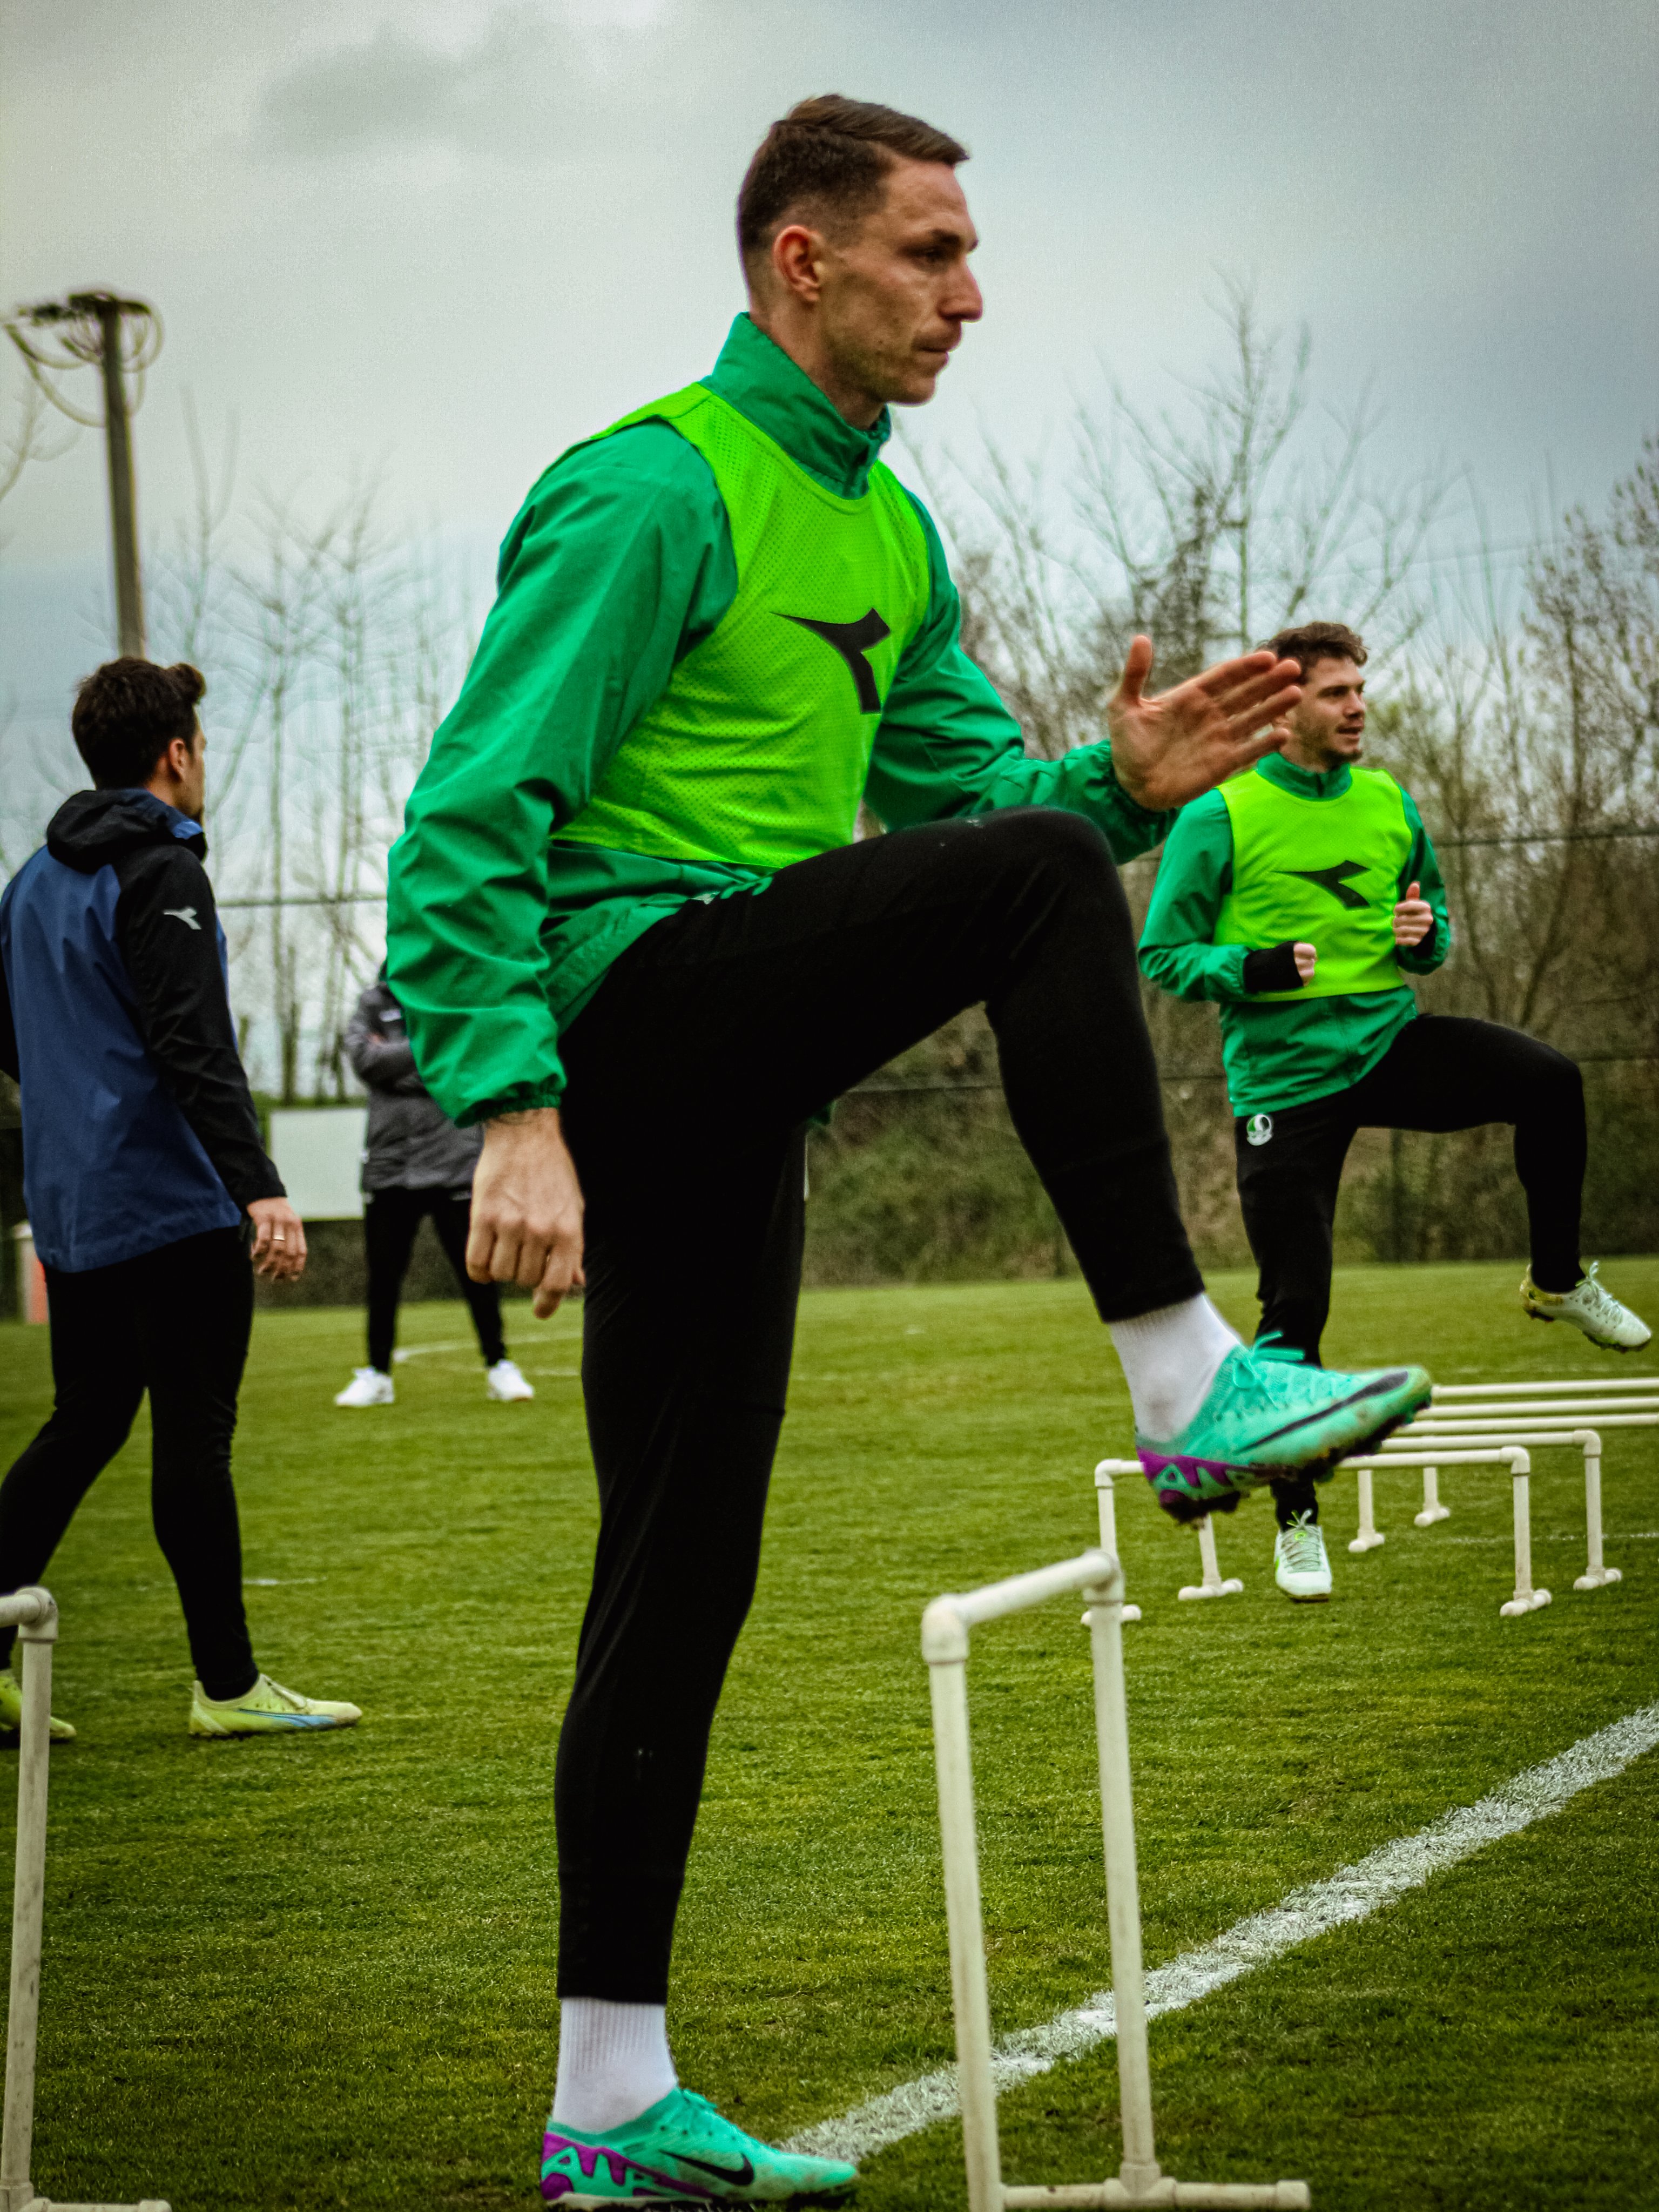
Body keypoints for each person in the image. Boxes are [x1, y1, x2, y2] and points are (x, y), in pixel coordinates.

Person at [386, 99, 1430, 2202]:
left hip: (736, 1068)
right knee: (1036, 885)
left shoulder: (892, 532)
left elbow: (982, 810)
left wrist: (1118, 782)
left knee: (679, 1571)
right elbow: (468, 818)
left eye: (969, 254)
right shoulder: (653, 488)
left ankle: (608, 2099)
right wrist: (508, 1105)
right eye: (932, 252)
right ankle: (1183, 1382)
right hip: (630, 1001)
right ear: (804, 259)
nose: (971, 295)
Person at [1139, 618, 1650, 1604]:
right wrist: (1249, 967)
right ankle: (1296, 1526)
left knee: (1550, 1081)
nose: (1357, 707)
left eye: (1359, 690)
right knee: (1295, 1308)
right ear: (1285, 705)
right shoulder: (1220, 814)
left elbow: (1434, 925)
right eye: (1336, 693)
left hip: (1389, 1046)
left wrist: (1422, 937)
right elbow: (1163, 953)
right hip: (1284, 1085)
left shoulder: (1388, 801)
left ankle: (1556, 1280)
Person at [0, 657, 362, 1739]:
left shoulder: (29, 883)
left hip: (74, 1202)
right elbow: (192, 1043)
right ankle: (229, 1685)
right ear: (176, 753)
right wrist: (261, 1187)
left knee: (87, 1417)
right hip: (169, 1199)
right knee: (193, 1436)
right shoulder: (160, 868)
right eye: (199, 745)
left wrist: (78, 1098)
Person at [333, 969, 535, 1406]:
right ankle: (377, 1375)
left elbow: (465, 1065)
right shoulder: (372, 1003)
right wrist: (432, 1056)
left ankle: (499, 1365)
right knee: (383, 1279)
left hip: (455, 1164)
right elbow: (365, 1061)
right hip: (390, 1168)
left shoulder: (453, 999)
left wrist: (394, 1065)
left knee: (477, 1272)